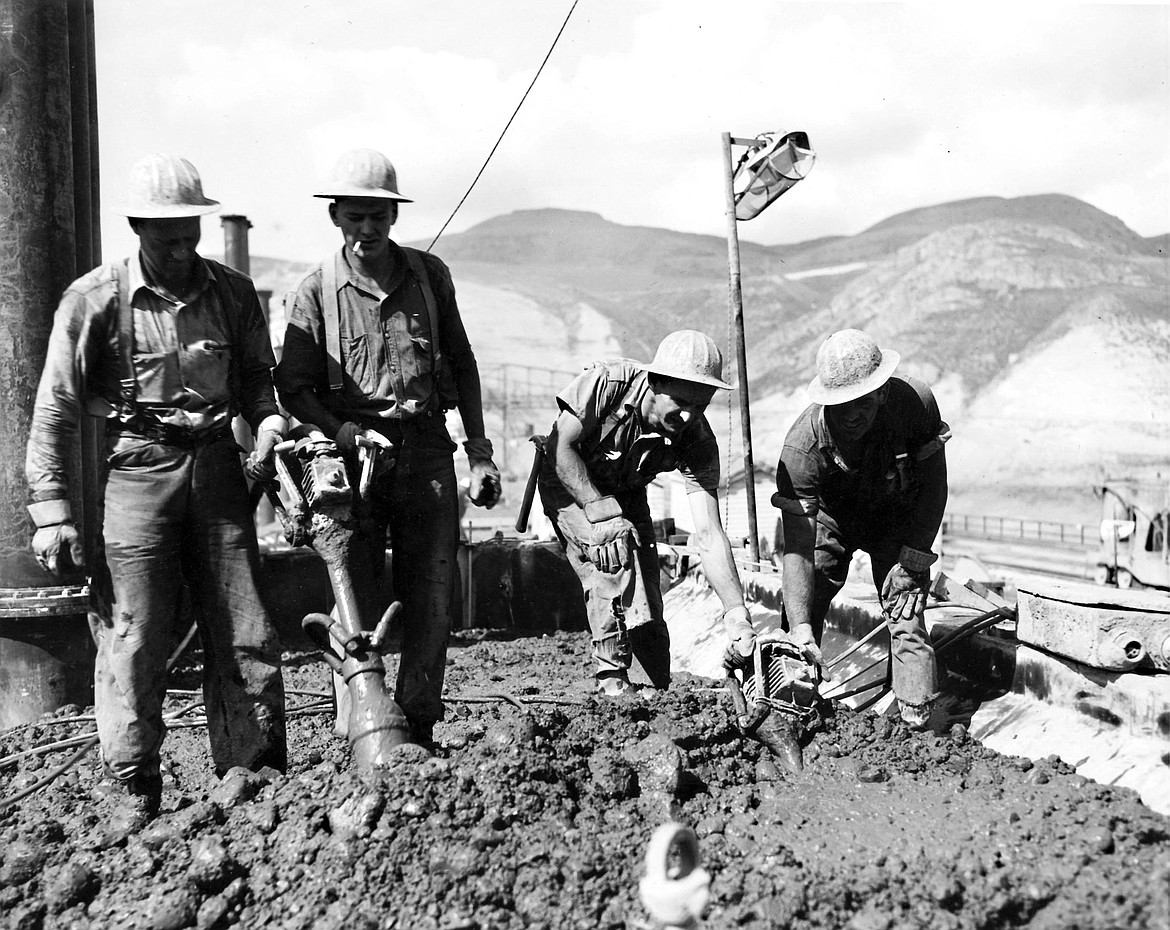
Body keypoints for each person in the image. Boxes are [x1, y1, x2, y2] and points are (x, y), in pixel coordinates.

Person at [26, 153, 289, 820]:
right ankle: (133, 783)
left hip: (219, 474)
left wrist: (266, 425)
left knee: (246, 627)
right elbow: (55, 406)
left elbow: (258, 380)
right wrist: (51, 509)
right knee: (136, 632)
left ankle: (253, 777)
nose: (180, 247)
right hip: (138, 475)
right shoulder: (94, 300)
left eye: (189, 232)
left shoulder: (230, 293)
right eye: (165, 234)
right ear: (138, 225)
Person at [274, 148, 501, 748]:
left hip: (425, 449)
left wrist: (478, 451)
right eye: (355, 217)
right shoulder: (316, 291)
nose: (367, 229)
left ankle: (418, 725)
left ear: (393, 217)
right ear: (336, 218)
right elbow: (291, 387)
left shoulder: (430, 276)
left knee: (431, 589)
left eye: (378, 216)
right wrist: (342, 432)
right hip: (354, 458)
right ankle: (360, 728)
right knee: (355, 590)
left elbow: (462, 364)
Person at [537, 330, 757, 696]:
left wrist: (736, 613)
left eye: (700, 405)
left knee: (648, 583)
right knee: (612, 555)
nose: (688, 415)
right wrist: (600, 510)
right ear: (655, 382)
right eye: (681, 401)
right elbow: (561, 447)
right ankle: (612, 683)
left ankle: (654, 686)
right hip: (569, 480)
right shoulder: (609, 384)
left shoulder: (697, 440)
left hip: (626, 490)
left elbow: (708, 533)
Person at [771, 329, 950, 729]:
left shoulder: (913, 404)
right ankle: (792, 705)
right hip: (831, 518)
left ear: (882, 393)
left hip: (893, 514)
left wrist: (916, 557)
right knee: (808, 593)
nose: (852, 415)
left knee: (906, 609)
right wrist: (799, 628)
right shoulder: (801, 450)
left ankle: (917, 722)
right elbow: (798, 550)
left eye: (862, 402)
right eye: (840, 406)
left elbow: (934, 484)